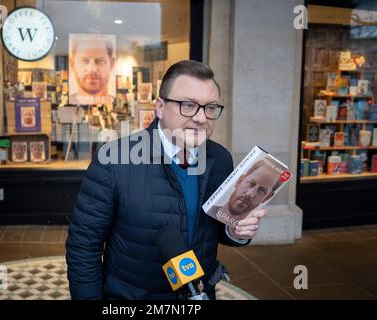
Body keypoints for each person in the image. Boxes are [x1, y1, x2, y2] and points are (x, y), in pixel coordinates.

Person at [66, 60, 266, 300]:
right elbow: (83, 247)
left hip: (198, 294)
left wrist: (237, 232)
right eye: (188, 105)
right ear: (160, 107)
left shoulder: (220, 159)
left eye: (210, 107)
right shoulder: (114, 162)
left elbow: (218, 229)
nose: (202, 118)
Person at [215, 159, 282, 227]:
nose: (250, 194)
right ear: (240, 181)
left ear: (267, 197)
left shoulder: (247, 231)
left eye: (261, 190)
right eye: (251, 183)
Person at [69, 35, 115, 105]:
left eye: (100, 61)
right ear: (72, 64)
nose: (92, 69)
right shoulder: (66, 104)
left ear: (111, 64)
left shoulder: (120, 105)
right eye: (84, 60)